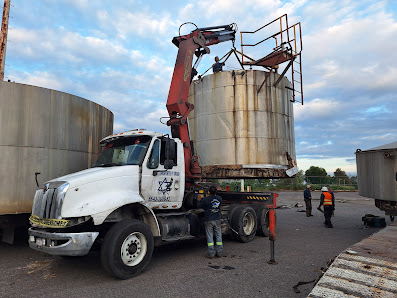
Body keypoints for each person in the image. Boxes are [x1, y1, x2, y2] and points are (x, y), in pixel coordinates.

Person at [198, 186, 223, 258]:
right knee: (218, 236)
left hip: (209, 220)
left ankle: (211, 254)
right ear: (216, 192)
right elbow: (220, 207)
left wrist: (199, 200)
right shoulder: (219, 198)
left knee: (210, 236)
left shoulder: (206, 199)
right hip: (217, 219)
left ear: (209, 192)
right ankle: (220, 253)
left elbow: (199, 206)